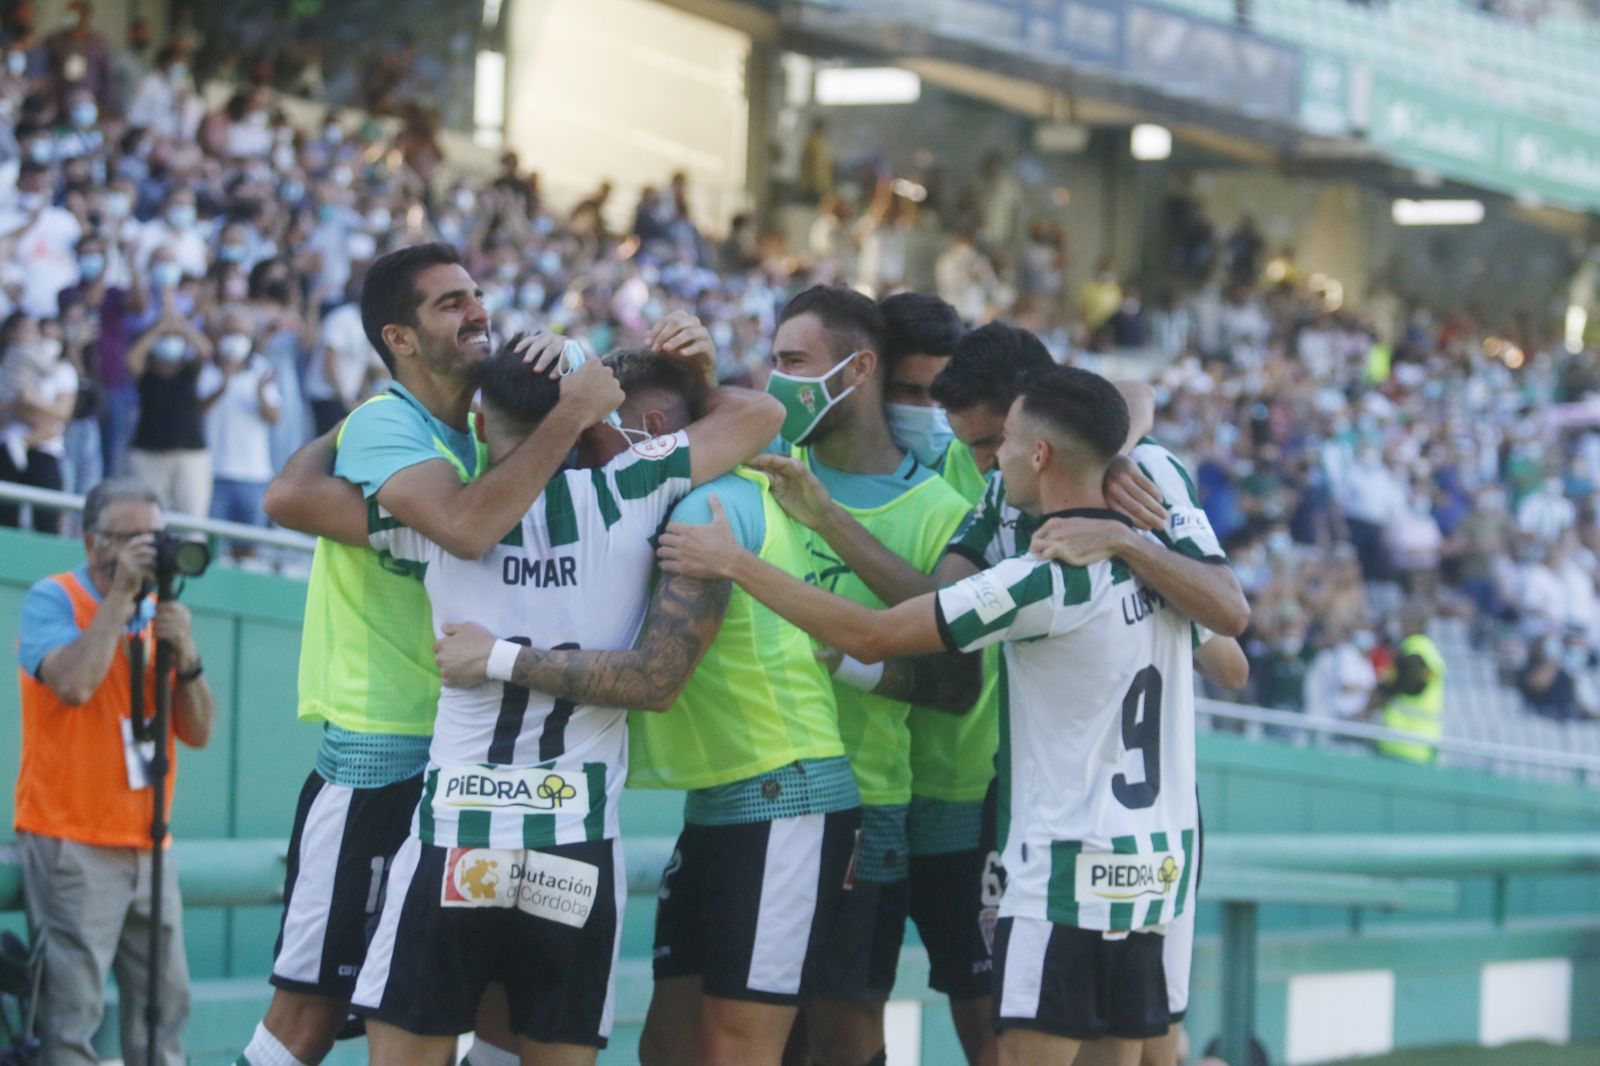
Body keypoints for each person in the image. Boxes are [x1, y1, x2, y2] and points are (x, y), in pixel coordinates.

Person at [657, 366, 1206, 1066]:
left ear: (1039, 455)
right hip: (1155, 870)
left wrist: (736, 562)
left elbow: (873, 635)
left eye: (1003, 441)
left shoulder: (1040, 578)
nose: (992, 460)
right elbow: (1229, 636)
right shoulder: (1162, 567)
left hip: (1068, 872)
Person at [239, 243, 653, 1066]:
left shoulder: (488, 428)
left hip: (484, 778)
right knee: (311, 1012)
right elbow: (458, 527)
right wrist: (572, 413)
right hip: (381, 753)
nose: (477, 312)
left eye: (476, 294)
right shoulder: (391, 426)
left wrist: (583, 388)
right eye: (449, 304)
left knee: (500, 1011)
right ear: (398, 337)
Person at [330, 342, 780, 1063]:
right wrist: (678, 376)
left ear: (480, 423)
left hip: (456, 833)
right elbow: (762, 411)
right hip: (574, 840)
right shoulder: (633, 490)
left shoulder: (441, 517)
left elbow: (290, 498)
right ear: (591, 415)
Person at [438, 348, 862, 1066]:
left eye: (597, 436)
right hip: (724, 802)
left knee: (740, 1050)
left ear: (656, 426)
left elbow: (654, 679)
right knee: (668, 1048)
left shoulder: (703, 509)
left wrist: (498, 657)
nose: (582, 454)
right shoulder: (685, 494)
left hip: (781, 793)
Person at [762, 284, 975, 1066]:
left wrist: (861, 668)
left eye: (792, 361)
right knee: (728, 1032)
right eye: (774, 359)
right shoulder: (762, 467)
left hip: (870, 799)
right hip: (751, 790)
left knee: (844, 1027)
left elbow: (957, 674)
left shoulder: (945, 505)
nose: (775, 379)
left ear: (857, 371)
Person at [14, 477, 215, 1065]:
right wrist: (120, 598)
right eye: (129, 539)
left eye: (153, 538)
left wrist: (190, 657)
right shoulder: (53, 598)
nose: (144, 552)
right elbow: (74, 684)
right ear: (91, 542)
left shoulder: (164, 612)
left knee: (164, 1011)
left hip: (150, 840)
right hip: (71, 840)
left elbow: (198, 732)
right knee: (71, 1018)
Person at [125, 289, 213, 517]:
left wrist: (179, 325)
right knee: (147, 516)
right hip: (148, 453)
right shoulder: (147, 375)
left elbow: (205, 350)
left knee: (193, 519)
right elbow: (132, 358)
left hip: (190, 453)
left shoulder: (188, 371)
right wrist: (159, 329)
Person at [198, 314, 279, 548]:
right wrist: (223, 384)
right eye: (231, 332)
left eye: (242, 333)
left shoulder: (261, 370)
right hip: (214, 473)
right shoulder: (206, 369)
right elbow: (197, 411)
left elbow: (274, 417)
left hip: (253, 476)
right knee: (213, 548)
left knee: (248, 549)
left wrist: (261, 393)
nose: (236, 339)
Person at [0, 310, 75, 530]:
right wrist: (31, 410)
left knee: (47, 523)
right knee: (5, 521)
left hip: (45, 453)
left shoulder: (62, 371)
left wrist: (32, 404)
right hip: (8, 450)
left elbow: (63, 413)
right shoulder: (12, 364)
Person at [1371, 601, 1445, 763]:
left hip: (1398, 742)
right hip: (1425, 744)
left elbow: (1387, 689)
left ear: (1410, 620)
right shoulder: (1431, 652)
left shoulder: (1409, 654)